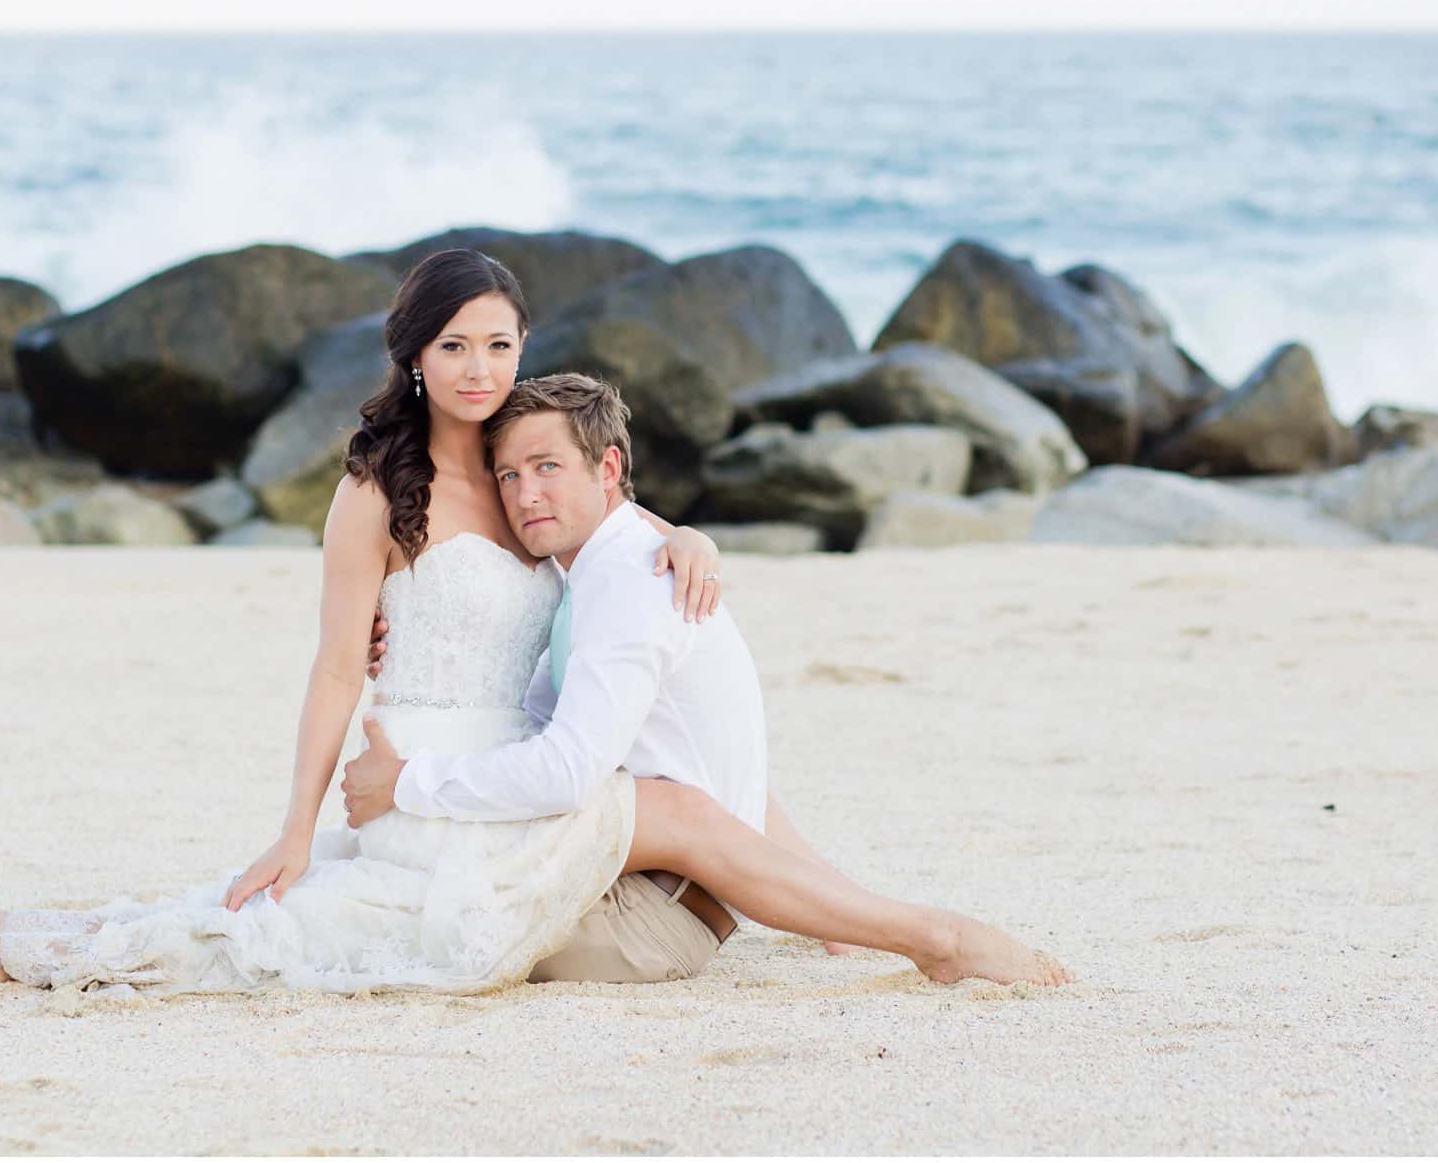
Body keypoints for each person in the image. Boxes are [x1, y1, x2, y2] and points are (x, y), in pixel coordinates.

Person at [0, 249, 723, 995]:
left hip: (507, 775)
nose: (478, 370)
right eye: (453, 347)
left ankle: (51, 928)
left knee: (326, 910)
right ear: (416, 355)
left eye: (498, 344)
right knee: (303, 926)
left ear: (523, 347)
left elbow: (613, 518)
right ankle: (31, 954)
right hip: (416, 771)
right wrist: (295, 829)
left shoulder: (526, 474)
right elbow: (340, 666)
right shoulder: (376, 489)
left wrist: (689, 535)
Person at [345, 372, 1071, 988]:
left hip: (649, 918)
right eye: (508, 474)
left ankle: (928, 935)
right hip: (679, 885)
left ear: (606, 469)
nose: (525, 492)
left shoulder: (628, 584)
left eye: (546, 467)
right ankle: (849, 916)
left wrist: (409, 780)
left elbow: (567, 772)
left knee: (404, 912)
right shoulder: (609, 567)